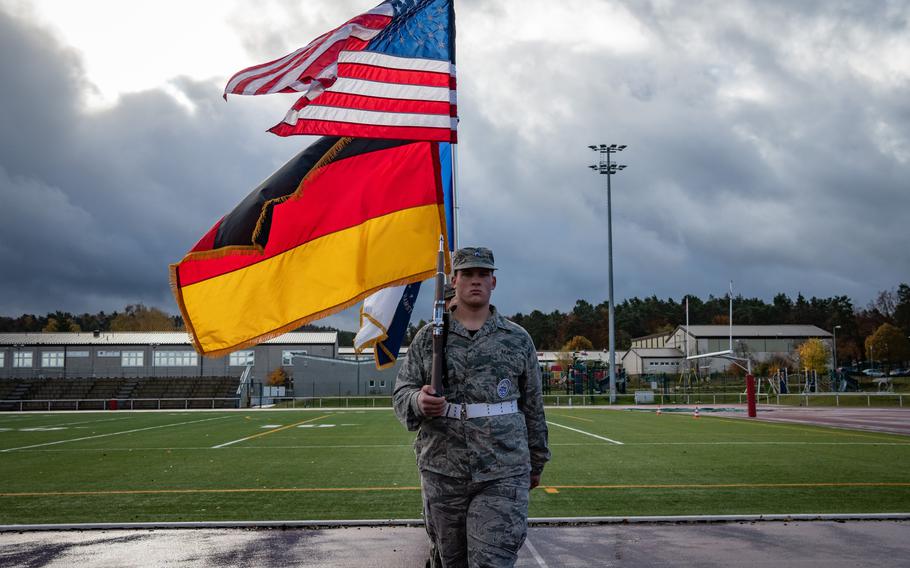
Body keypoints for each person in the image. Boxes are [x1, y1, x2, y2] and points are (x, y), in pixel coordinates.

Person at [393, 247, 550, 568]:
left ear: (493, 281)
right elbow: (401, 394)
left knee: (491, 561)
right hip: (443, 471)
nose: (475, 281)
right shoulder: (428, 339)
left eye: (482, 274)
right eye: (468, 274)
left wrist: (537, 461)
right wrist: (418, 401)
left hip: (503, 470)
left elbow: (533, 405)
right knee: (451, 561)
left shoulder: (517, 339)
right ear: (454, 280)